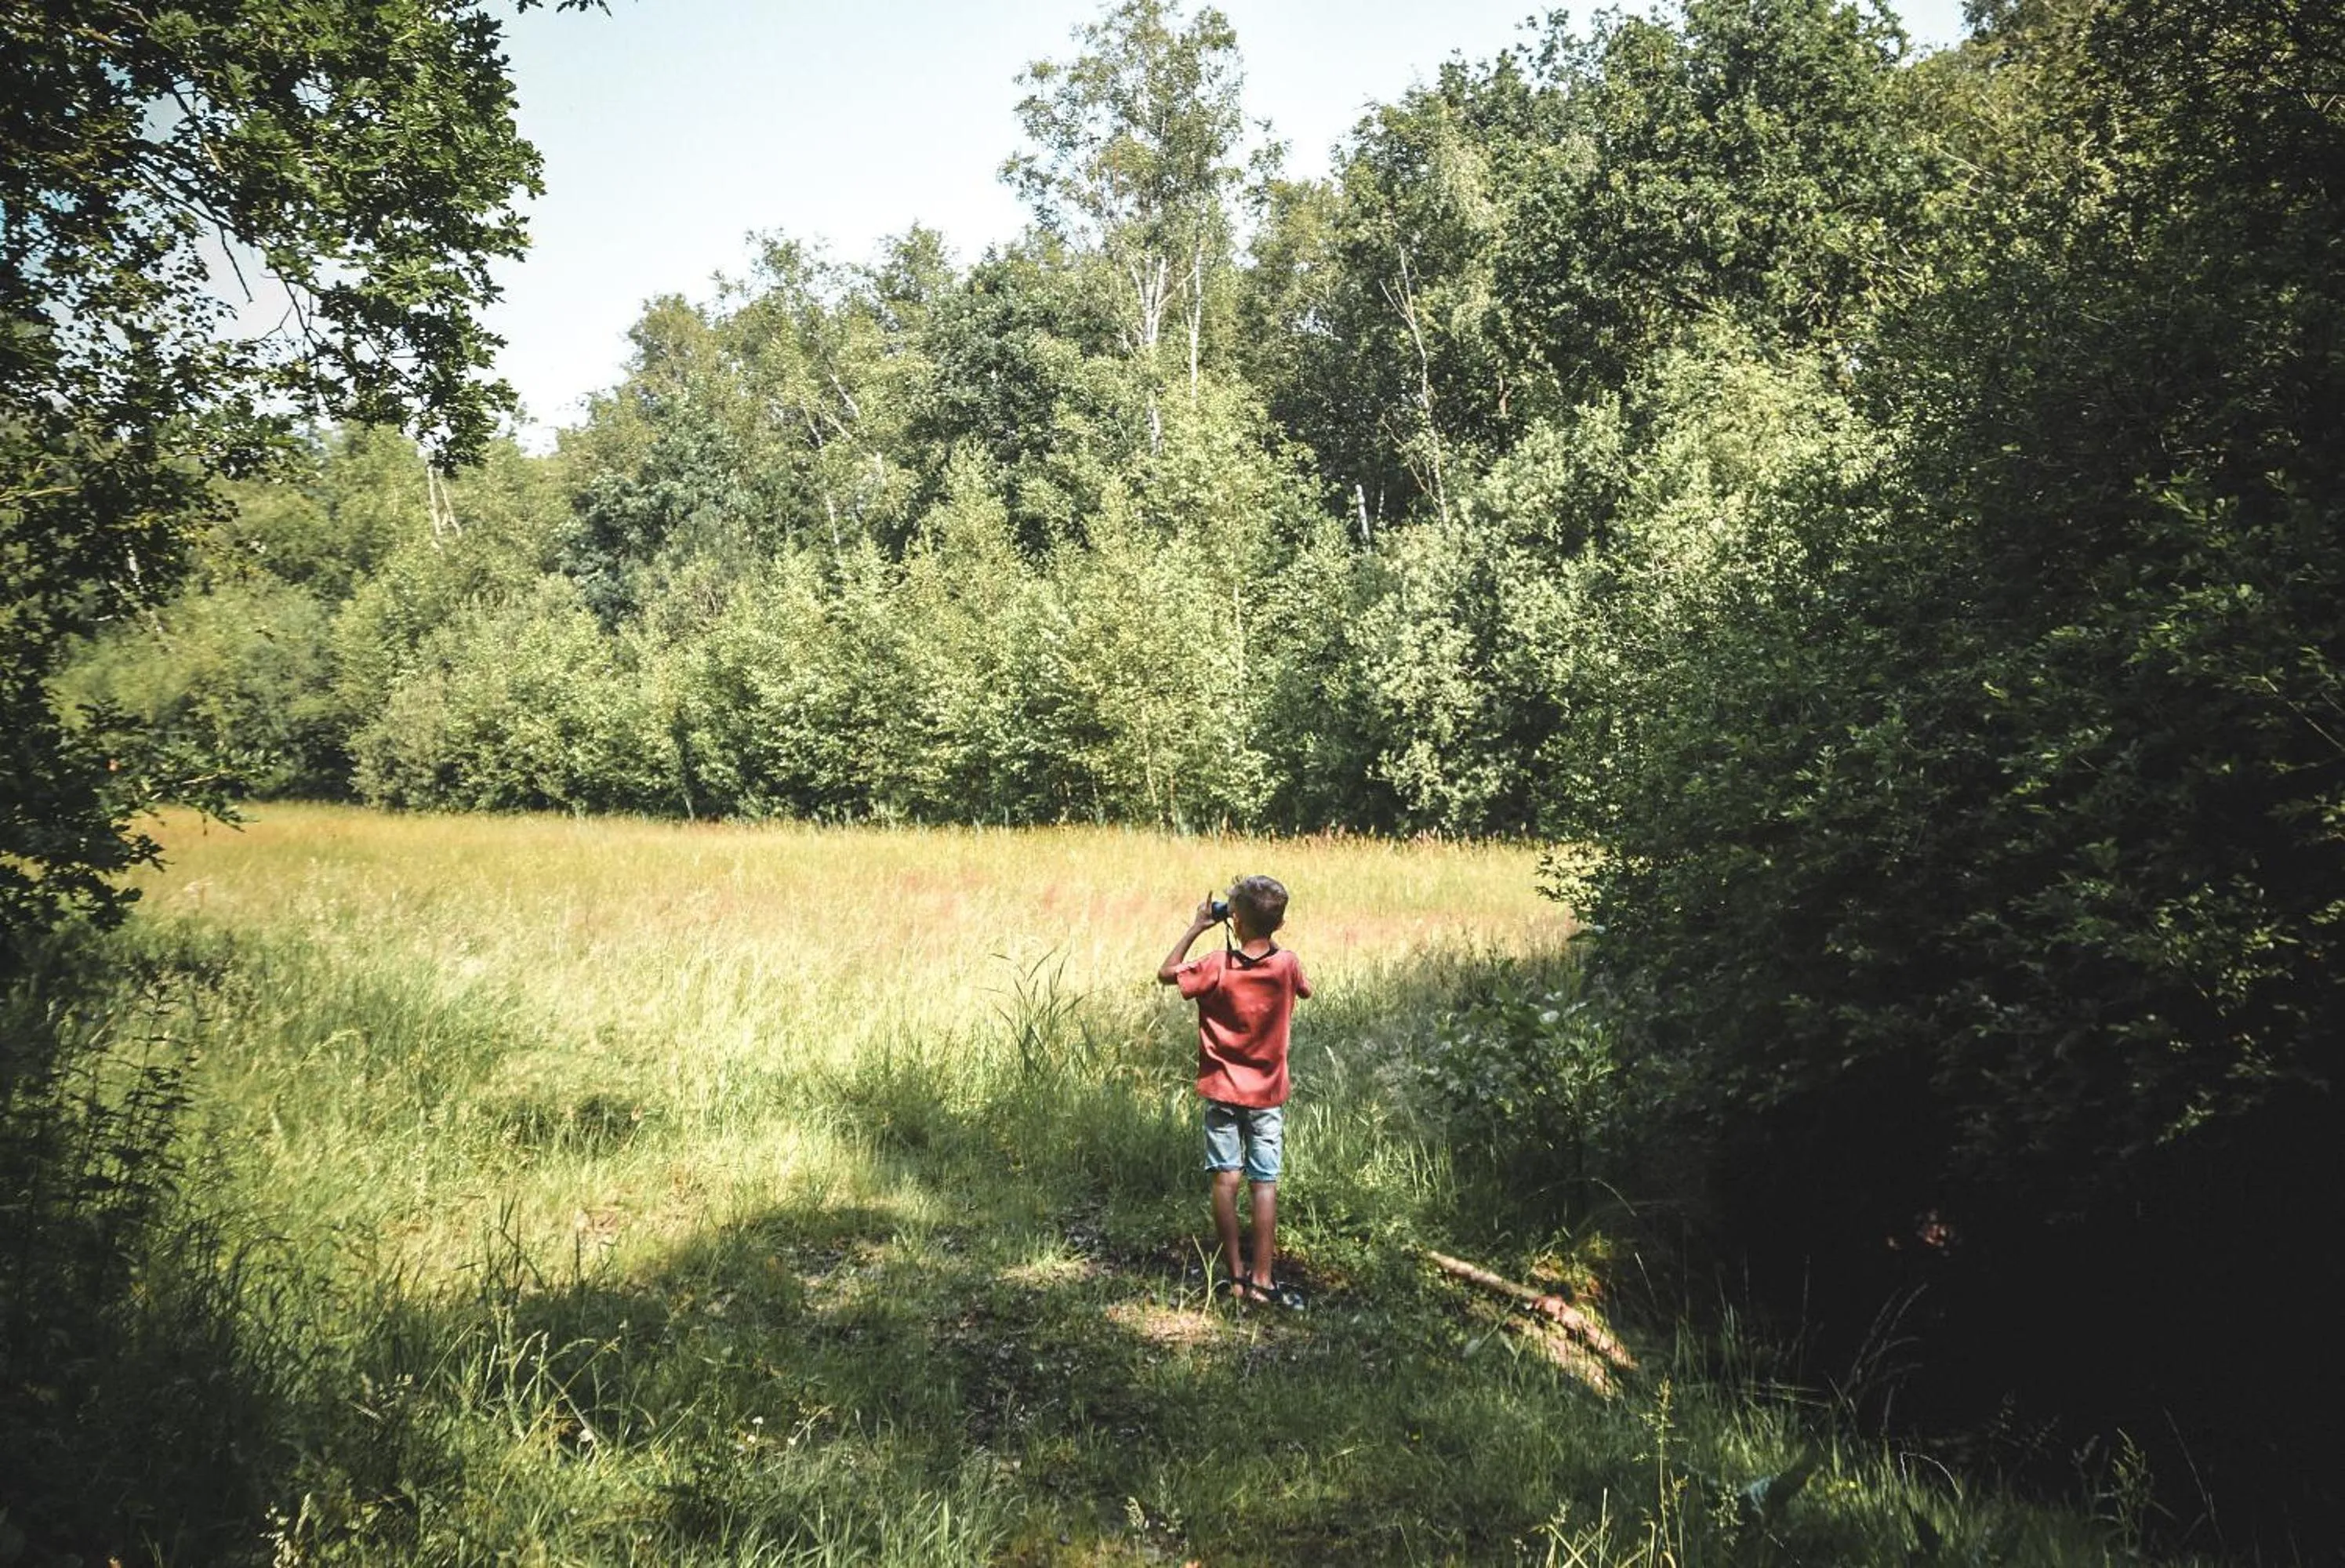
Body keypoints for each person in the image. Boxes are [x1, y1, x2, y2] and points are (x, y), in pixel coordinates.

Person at [1156, 875, 1312, 1308]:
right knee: (1264, 1184)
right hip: (1267, 1096)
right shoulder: (1287, 963)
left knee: (1226, 1181)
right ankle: (1263, 1280)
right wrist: (1266, 936)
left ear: (1234, 920)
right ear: (1280, 924)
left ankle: (1236, 1277)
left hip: (1223, 1093)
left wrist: (1198, 926)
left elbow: (1165, 973)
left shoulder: (1216, 965)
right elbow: (1305, 988)